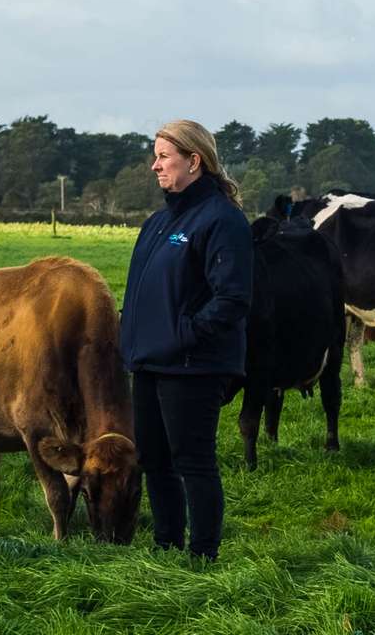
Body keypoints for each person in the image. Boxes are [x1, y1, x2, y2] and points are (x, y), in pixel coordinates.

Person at [119, 119, 252, 562]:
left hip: (193, 364)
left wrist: (185, 335)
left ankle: (203, 554)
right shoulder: (159, 222)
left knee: (193, 460)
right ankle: (166, 543)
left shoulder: (221, 219)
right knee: (154, 460)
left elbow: (232, 297)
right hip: (151, 363)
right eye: (155, 155)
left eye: (163, 156)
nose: (154, 165)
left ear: (194, 161)